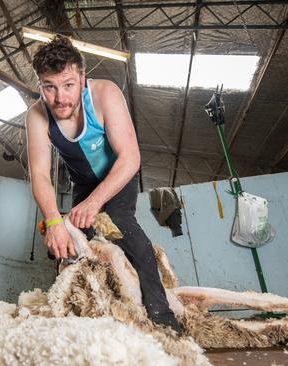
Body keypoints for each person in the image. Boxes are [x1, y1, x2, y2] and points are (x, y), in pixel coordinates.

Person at [25, 35, 181, 332]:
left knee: (120, 223)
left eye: (69, 85)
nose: (60, 98)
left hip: (118, 175)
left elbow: (130, 157)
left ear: (82, 77)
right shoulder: (36, 115)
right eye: (50, 87)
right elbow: (41, 175)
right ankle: (76, 314)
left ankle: (163, 318)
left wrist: (96, 203)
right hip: (83, 184)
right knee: (65, 244)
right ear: (41, 84)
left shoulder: (104, 94)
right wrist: (54, 222)